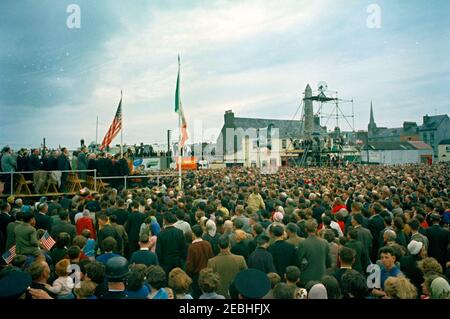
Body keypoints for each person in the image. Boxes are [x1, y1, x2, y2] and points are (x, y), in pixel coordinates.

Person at [297, 219, 330, 285]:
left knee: (304, 295)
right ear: (316, 228)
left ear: (306, 229)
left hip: (306, 278)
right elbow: (328, 261)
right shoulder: (325, 243)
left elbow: (298, 260)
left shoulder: (303, 243)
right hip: (321, 276)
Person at [186, 224, 214, 298]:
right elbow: (211, 258)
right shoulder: (207, 244)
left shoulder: (192, 247)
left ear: (193, 234)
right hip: (208, 274)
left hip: (196, 277)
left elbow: (190, 265)